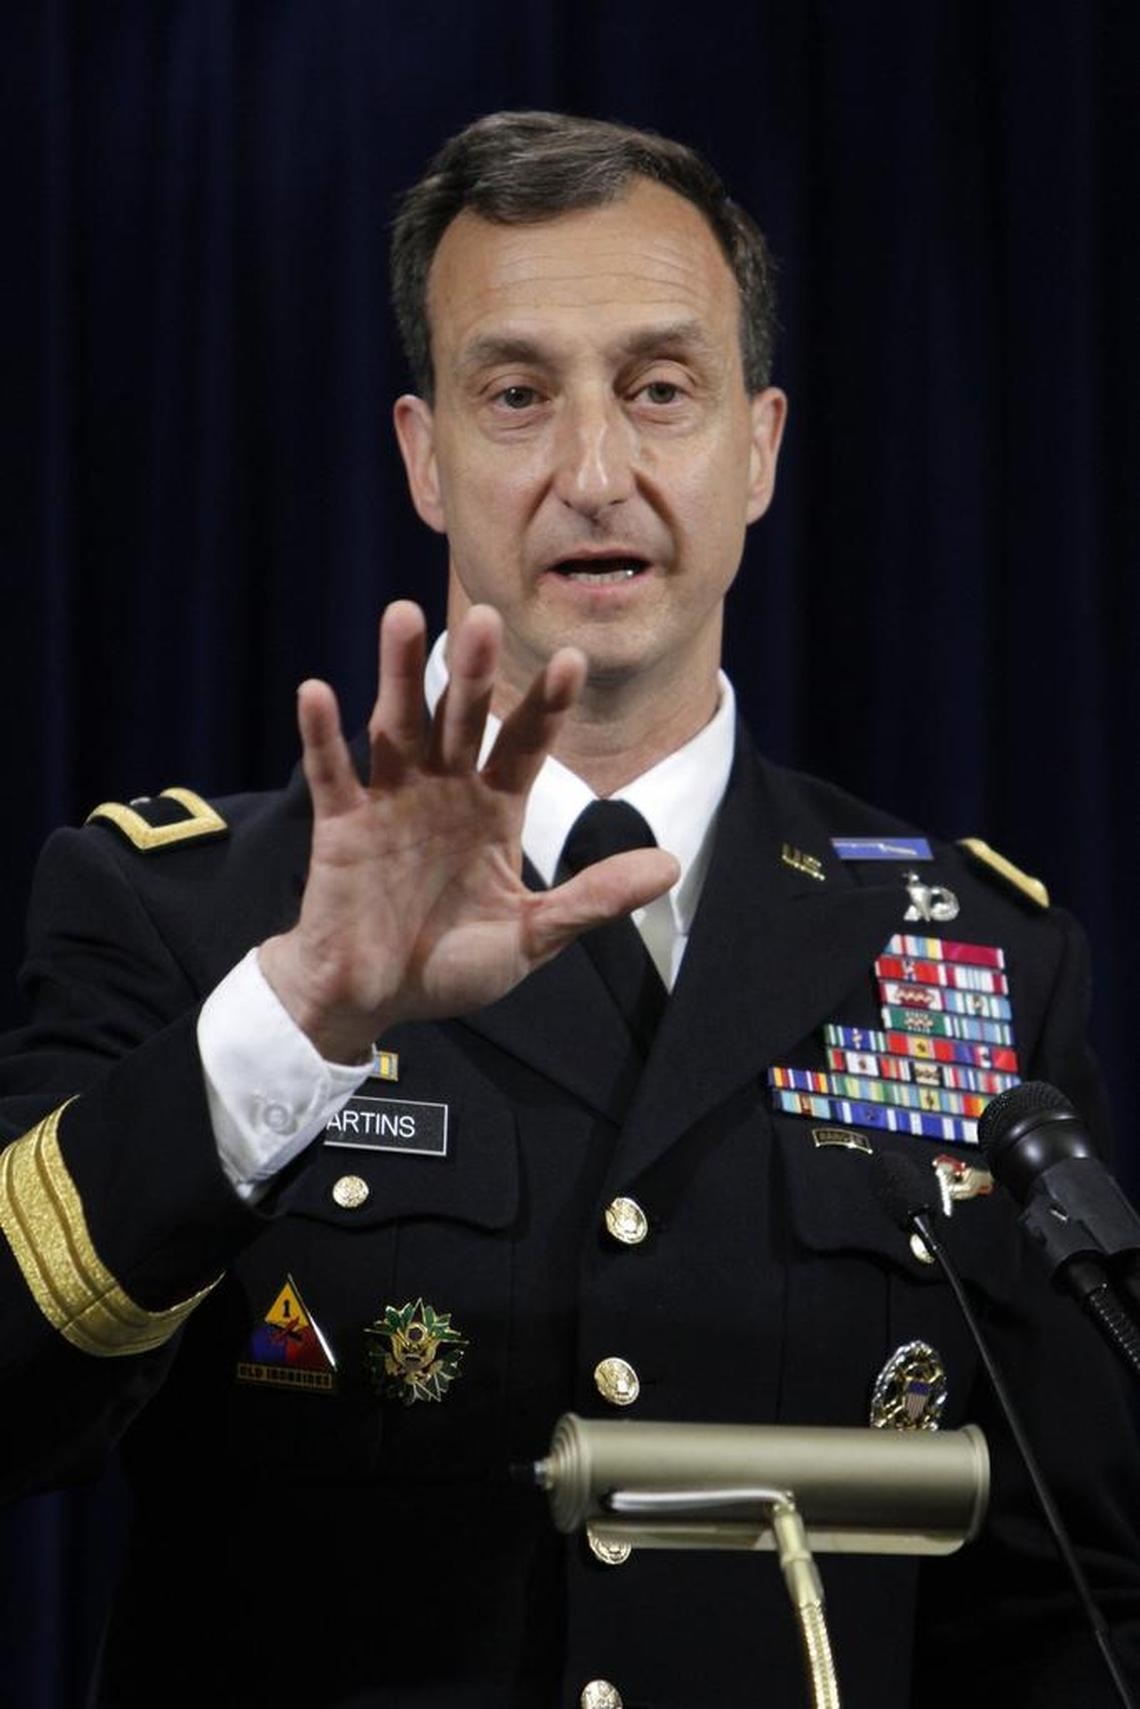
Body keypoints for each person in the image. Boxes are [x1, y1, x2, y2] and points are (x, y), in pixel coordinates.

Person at [1, 111, 1137, 1709]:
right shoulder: (186, 910)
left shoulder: (973, 955)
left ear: (759, 445)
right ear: (423, 453)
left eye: (660, 389)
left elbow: (1072, 1613)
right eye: (518, 394)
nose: (594, 472)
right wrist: (300, 1017)